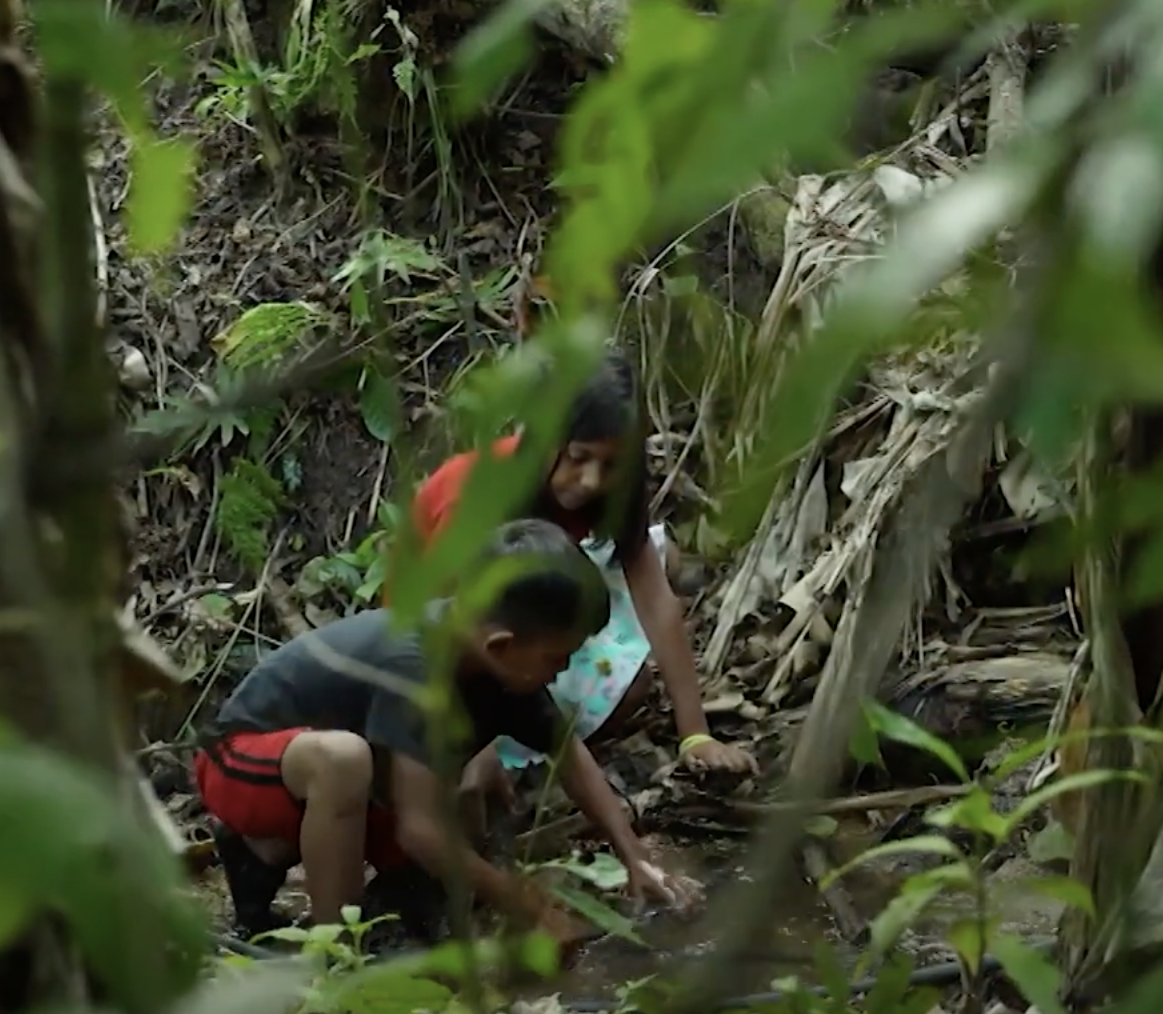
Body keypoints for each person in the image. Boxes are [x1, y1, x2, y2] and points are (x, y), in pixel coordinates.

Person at [193, 519, 700, 944]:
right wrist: (524, 903)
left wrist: (636, 857)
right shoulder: (416, 662)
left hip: (336, 786)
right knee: (348, 764)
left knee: (443, 861)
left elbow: (567, 751)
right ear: (501, 645)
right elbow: (419, 829)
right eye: (557, 657)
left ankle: (281, 867)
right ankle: (336, 955)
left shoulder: (497, 668)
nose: (562, 670)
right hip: (237, 760)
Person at [407, 351, 758, 811]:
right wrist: (478, 745)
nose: (591, 480)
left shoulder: (611, 483)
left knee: (632, 685)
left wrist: (695, 735)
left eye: (610, 465)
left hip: (530, 600)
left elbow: (655, 599)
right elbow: (437, 627)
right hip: (432, 646)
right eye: (578, 457)